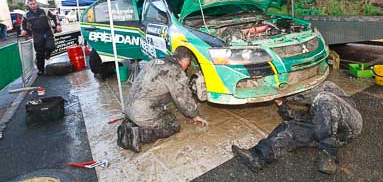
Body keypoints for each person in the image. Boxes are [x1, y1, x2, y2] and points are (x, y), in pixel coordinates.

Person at [231, 81, 363, 174]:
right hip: (327, 126)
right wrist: (281, 103)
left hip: (349, 123)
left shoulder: (329, 91)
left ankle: (328, 154)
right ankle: (257, 157)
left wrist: (288, 93)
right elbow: (297, 117)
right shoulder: (318, 111)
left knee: (325, 98)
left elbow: (315, 97)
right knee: (290, 127)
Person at [121, 47, 208, 152]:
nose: (187, 67)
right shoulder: (174, 70)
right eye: (188, 64)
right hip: (141, 112)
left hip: (129, 106)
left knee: (163, 112)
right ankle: (138, 134)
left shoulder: (155, 61)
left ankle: (131, 122)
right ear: (185, 61)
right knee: (172, 124)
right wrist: (194, 115)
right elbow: (183, 98)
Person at [21, 0, 62, 75]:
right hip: (36, 35)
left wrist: (58, 25)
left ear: (37, 3)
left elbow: (54, 17)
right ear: (28, 5)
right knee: (39, 53)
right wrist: (23, 30)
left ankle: (48, 54)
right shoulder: (26, 15)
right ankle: (41, 70)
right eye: (31, 4)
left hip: (47, 32)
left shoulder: (45, 11)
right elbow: (23, 24)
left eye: (34, 3)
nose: (32, 5)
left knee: (51, 46)